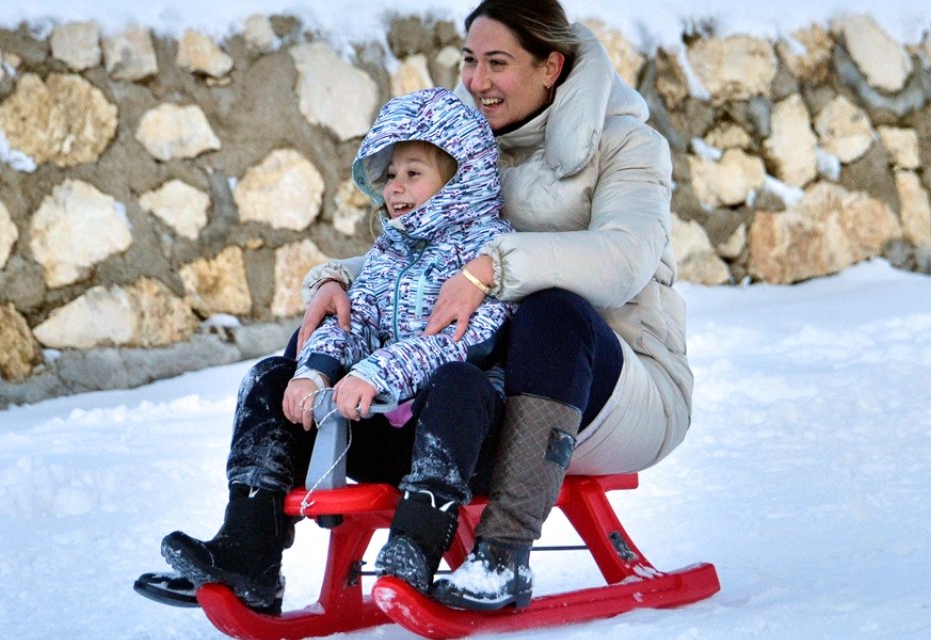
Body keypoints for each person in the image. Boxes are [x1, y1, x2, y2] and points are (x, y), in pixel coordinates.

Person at [296, 0, 691, 611]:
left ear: (551, 67)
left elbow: (621, 262)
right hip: (484, 387)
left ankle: (503, 556)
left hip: (620, 389)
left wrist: (489, 270)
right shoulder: (464, 146)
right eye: (470, 60)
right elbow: (414, 258)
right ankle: (252, 543)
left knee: (551, 309)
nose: (479, 81)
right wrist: (335, 281)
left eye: (499, 62)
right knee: (342, 329)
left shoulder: (628, 147)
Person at [152, 87, 514, 614]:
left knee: (460, 385)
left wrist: (374, 373)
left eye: (414, 173)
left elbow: (460, 344)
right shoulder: (389, 252)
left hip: (459, 443)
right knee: (270, 376)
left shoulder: (492, 256)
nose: (395, 187)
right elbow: (354, 319)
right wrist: (315, 371)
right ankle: (250, 546)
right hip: (380, 430)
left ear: (462, 178)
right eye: (390, 175)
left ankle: (415, 548)